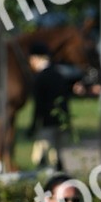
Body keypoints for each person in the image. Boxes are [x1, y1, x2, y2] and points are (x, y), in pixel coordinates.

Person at [27, 43, 82, 171]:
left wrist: (34, 125)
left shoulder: (40, 78)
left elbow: (39, 104)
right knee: (58, 153)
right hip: (62, 120)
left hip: (47, 122)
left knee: (45, 156)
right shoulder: (60, 74)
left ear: (36, 58)